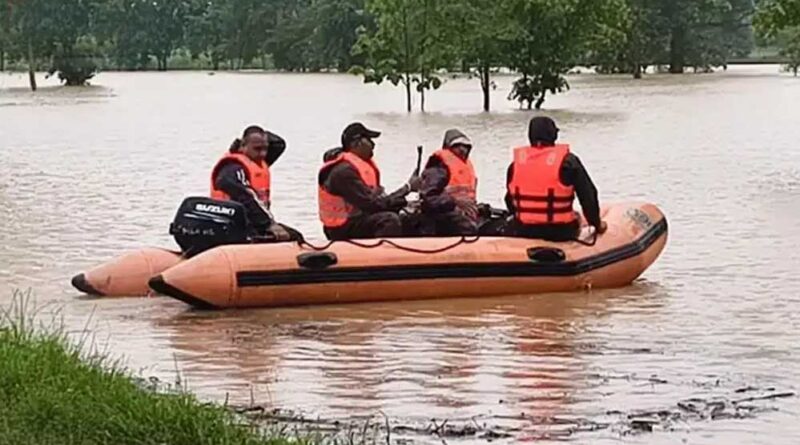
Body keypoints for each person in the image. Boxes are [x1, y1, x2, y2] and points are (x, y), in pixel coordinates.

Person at [503, 116, 606, 241]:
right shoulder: (568, 162)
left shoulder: (515, 165)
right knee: (577, 216)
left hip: (524, 230)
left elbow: (510, 200)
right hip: (560, 231)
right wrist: (596, 224)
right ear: (554, 136)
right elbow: (588, 195)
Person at [318, 122, 421, 240]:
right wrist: (407, 188)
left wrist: (406, 203)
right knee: (388, 220)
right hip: (341, 228)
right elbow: (372, 204)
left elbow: (379, 200)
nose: (373, 144)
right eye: (369, 140)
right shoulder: (343, 172)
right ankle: (383, 255)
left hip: (359, 218)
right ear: (356, 143)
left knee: (408, 216)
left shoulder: (357, 167)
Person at [210, 125, 299, 241]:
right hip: (233, 226)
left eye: (265, 149)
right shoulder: (233, 167)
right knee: (285, 238)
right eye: (257, 148)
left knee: (296, 237)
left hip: (255, 223)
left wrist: (258, 135)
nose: (262, 154)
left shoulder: (258, 161)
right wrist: (268, 224)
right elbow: (244, 195)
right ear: (243, 146)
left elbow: (279, 144)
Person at [418, 129, 479, 236]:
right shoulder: (439, 167)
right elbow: (429, 198)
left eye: (465, 146)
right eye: (457, 146)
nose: (462, 149)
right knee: (466, 227)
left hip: (462, 213)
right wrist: (454, 202)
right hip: (440, 216)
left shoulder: (466, 167)